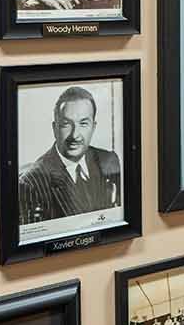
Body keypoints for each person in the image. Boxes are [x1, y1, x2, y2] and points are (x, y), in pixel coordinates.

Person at [18, 86, 122, 225]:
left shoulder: (109, 160)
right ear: (55, 128)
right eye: (66, 124)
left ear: (93, 127)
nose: (75, 135)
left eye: (83, 124)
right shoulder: (31, 183)